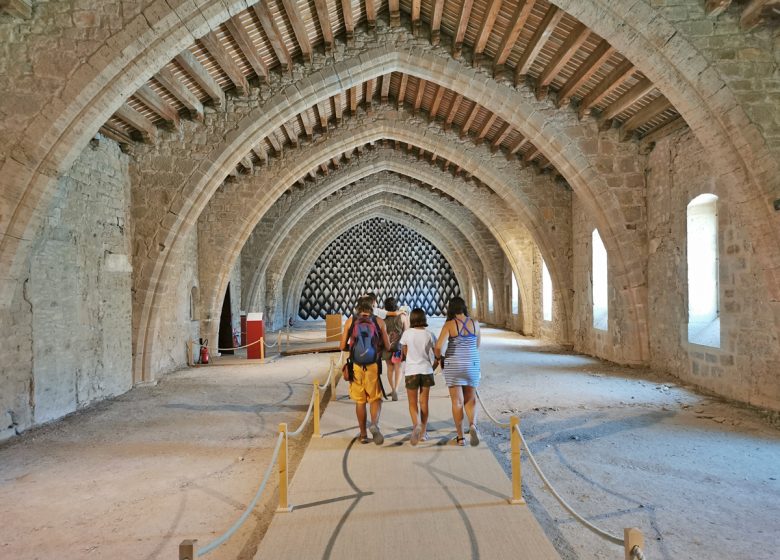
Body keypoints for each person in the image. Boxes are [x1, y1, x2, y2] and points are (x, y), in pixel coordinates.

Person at [340, 296, 391, 445]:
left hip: (356, 366)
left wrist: (355, 349)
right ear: (372, 308)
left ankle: (363, 435)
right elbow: (387, 347)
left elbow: (342, 345)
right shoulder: (378, 322)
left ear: (357, 308)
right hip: (373, 365)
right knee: (375, 398)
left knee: (360, 401)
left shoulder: (351, 322)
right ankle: (374, 423)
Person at [434, 296, 481, 446]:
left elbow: (438, 346)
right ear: (464, 307)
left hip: (453, 364)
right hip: (471, 363)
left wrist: (438, 358)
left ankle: (460, 438)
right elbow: (477, 345)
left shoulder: (450, 324)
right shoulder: (475, 323)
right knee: (471, 399)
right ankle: (472, 425)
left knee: (457, 401)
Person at [399, 308, 438, 446]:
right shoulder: (429, 334)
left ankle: (416, 426)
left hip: (411, 371)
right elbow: (437, 354)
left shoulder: (407, 334)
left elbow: (404, 352)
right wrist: (432, 367)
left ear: (412, 319)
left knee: (412, 403)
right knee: (424, 403)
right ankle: (423, 433)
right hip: (426, 370)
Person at [382, 297, 407, 401]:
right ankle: (396, 389)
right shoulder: (402, 316)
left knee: (390, 368)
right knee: (398, 368)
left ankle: (392, 388)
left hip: (387, 346)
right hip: (398, 346)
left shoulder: (382, 317)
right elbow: (406, 332)